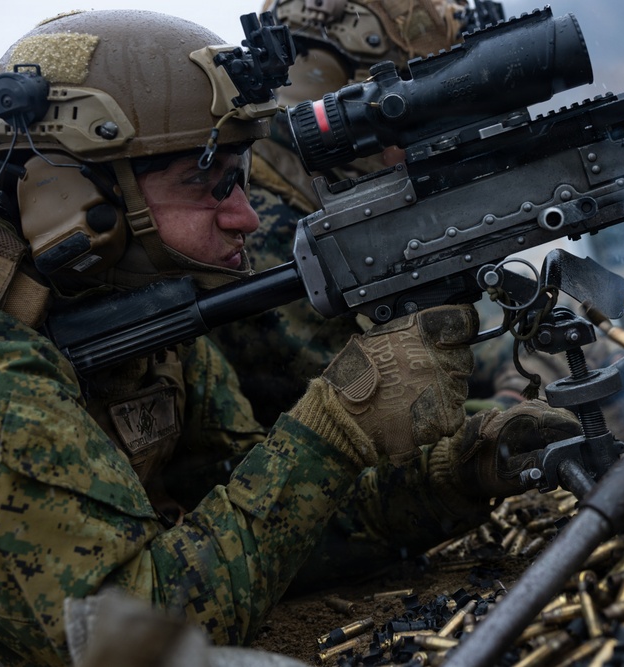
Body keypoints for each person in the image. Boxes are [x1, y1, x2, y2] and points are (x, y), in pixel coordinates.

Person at [0, 10, 581, 666]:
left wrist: (459, 473)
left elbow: (261, 517)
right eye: (206, 182)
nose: (246, 216)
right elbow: (127, 636)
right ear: (67, 192)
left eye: (241, 176)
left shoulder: (120, 293)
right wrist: (334, 429)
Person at [208, 0, 515, 426]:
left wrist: (516, 358)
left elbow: (438, 325)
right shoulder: (261, 229)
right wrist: (508, 408)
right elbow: (381, 410)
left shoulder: (328, 194)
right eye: (415, 94)